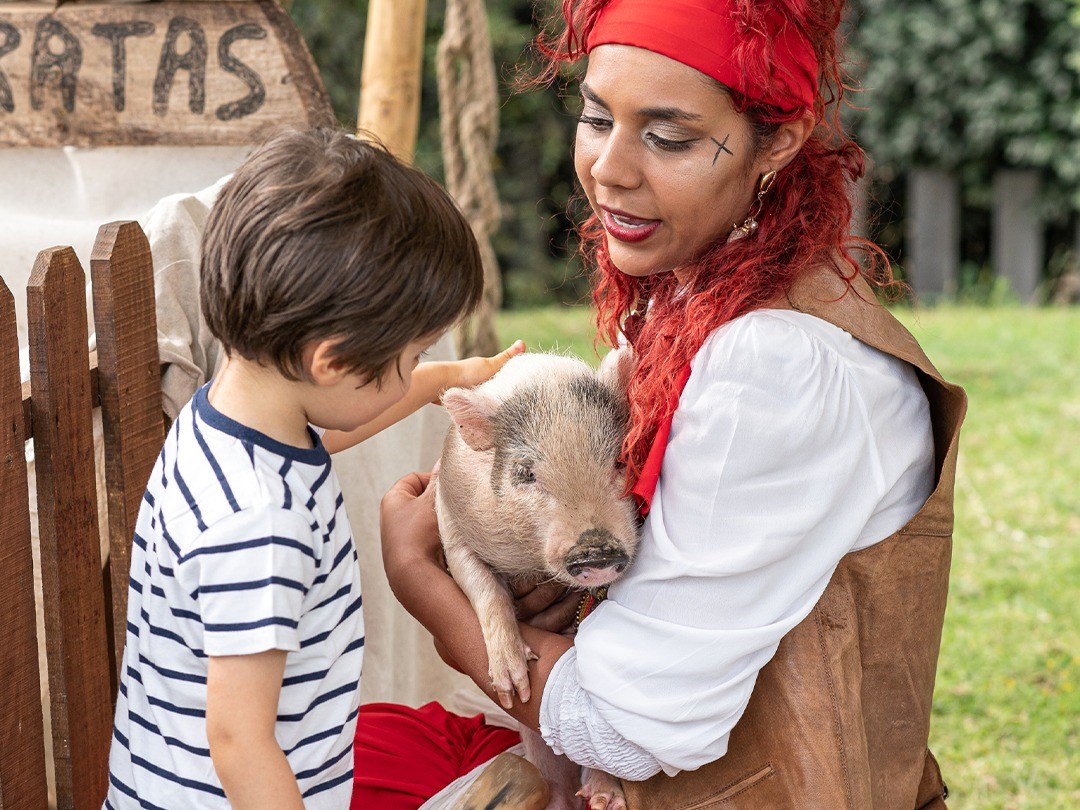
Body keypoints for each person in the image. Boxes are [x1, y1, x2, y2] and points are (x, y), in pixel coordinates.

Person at [379, 0, 968, 808]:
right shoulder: (703, 299)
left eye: (668, 136)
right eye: (596, 117)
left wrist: (428, 588)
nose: (611, 169)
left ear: (780, 142)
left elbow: (627, 727)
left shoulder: (775, 362)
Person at [104, 126, 525, 808]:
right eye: (413, 355)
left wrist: (454, 376)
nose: (416, 368)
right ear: (330, 362)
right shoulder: (260, 527)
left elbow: (333, 430)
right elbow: (240, 740)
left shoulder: (230, 419)